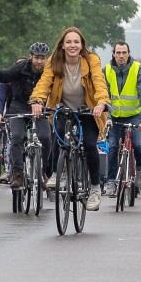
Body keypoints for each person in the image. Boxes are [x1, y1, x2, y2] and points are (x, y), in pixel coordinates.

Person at [29, 27, 110, 211]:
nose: (72, 45)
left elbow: (99, 82)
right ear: (63, 45)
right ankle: (58, 174)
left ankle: (95, 190)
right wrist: (37, 100)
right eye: (69, 42)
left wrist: (101, 103)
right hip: (63, 108)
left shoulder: (92, 60)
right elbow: (44, 83)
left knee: (89, 145)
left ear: (81, 45)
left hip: (89, 109)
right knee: (58, 135)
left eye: (76, 42)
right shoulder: (54, 61)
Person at [0, 42, 53, 190]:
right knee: (17, 137)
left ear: (46, 58)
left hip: (40, 109)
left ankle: (43, 171)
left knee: (46, 137)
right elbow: (3, 76)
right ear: (30, 57)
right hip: (19, 107)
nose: (39, 61)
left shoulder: (50, 70)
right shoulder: (21, 67)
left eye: (42, 58)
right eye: (36, 58)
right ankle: (18, 174)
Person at [103, 41, 141, 195]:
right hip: (115, 116)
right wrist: (107, 117)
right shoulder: (107, 70)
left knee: (138, 145)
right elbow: (104, 95)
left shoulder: (138, 69)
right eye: (118, 53)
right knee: (112, 147)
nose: (121, 56)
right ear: (113, 54)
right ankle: (111, 181)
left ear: (128, 53)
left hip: (135, 115)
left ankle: (139, 169)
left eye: (124, 53)